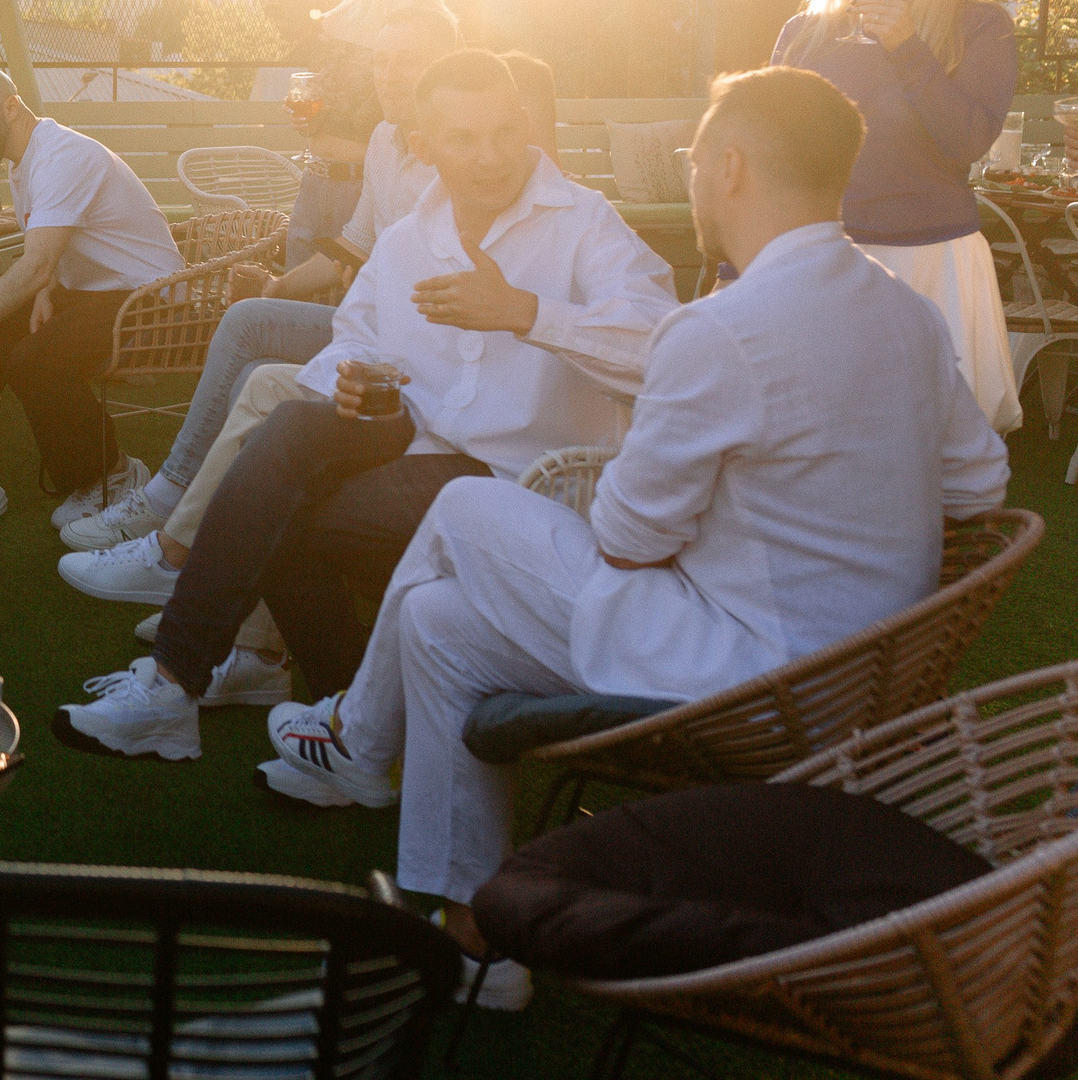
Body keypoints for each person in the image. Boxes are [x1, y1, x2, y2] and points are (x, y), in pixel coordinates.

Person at [259, 67, 1010, 1010]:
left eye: (697, 159)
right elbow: (981, 480)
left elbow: (625, 538)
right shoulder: (905, 309)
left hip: (746, 679)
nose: (694, 177)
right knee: (440, 622)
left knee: (462, 508)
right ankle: (478, 940)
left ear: (728, 168)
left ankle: (363, 740)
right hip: (869, 667)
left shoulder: (721, 331)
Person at [56, 50, 680, 760]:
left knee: (286, 516)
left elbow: (666, 354)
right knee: (295, 419)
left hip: (524, 482)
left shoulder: (584, 222)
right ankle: (234, 692)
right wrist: (350, 373)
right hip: (419, 449)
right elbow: (352, 336)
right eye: (464, 138)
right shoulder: (411, 238)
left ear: (527, 124)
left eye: (506, 131)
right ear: (423, 147)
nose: (492, 155)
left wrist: (527, 312)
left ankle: (303, 714)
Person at [58, 5, 462, 565]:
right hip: (377, 330)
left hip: (413, 351)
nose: (388, 74)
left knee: (246, 323)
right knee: (252, 361)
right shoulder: (385, 139)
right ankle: (199, 537)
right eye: (382, 61)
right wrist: (276, 285)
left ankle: (167, 500)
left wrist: (273, 298)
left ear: (447, 67)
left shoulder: (458, 156)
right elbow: (352, 243)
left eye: (407, 62)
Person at [773, 0, 1020, 428]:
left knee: (930, 447)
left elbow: (966, 141)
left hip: (929, 261)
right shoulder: (804, 34)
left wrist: (907, 47)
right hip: (823, 259)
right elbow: (774, 158)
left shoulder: (980, 25)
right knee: (817, 439)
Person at [0, 68, 187, 525]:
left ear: (11, 107)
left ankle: (110, 475)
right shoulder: (25, 160)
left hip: (152, 298)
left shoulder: (61, 156)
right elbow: (54, 247)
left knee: (32, 357)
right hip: (93, 290)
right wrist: (44, 290)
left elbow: (35, 263)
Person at [287, 0, 454, 266]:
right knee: (291, 302)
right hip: (315, 183)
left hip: (366, 192)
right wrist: (312, 122)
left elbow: (426, 130)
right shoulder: (335, 21)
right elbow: (334, 104)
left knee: (354, 313)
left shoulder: (423, 31)